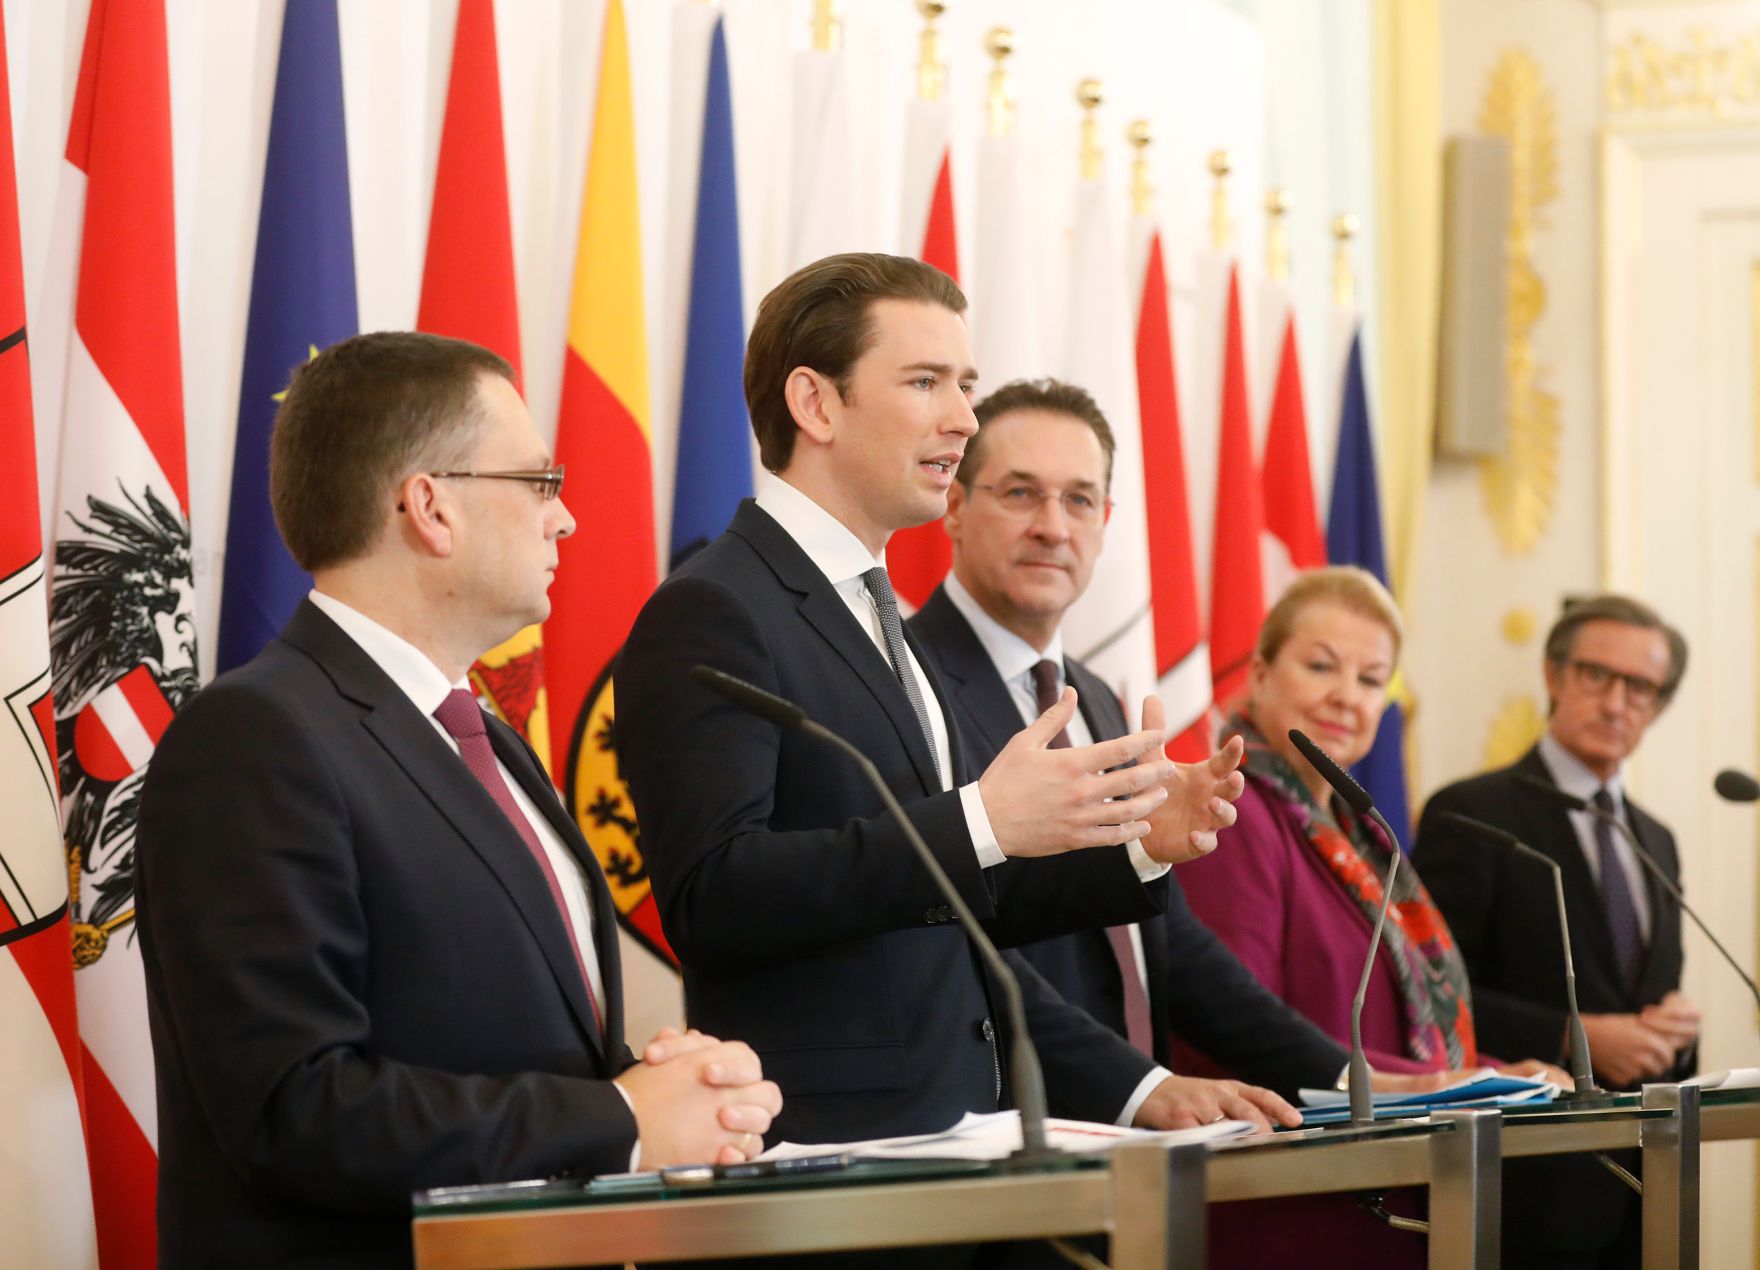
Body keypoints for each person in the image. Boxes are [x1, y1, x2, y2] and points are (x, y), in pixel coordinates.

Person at [136, 332, 781, 1268]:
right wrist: (618, 1117)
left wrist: (670, 1091)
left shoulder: (486, 736)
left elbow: (506, 1037)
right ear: (430, 508)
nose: (566, 519)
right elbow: (293, 1106)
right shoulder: (252, 738)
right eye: (540, 481)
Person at [615, 254, 1247, 1158]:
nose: (963, 419)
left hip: (963, 1131)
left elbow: (948, 894)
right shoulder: (716, 608)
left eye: (966, 386)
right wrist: (980, 819)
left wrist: (1139, 844)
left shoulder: (882, 615)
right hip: (825, 1148)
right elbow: (714, 895)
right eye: (925, 383)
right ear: (815, 404)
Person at [910, 379, 1436, 1113]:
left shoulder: (1097, 698)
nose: (1053, 527)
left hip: (1135, 1140)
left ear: (1105, 521)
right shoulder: (905, 681)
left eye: (1080, 500)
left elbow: (1172, 949)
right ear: (957, 507)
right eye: (1021, 494)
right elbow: (955, 942)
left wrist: (1352, 1080)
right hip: (1003, 1127)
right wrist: (1140, 1089)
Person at [1172, 566, 1562, 1269]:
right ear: (1259, 674)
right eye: (1321, 666)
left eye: (1371, 678)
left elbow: (1399, 1030)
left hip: (1385, 1188)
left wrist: (1503, 1076)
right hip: (1290, 1209)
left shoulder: (1358, 835)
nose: (1346, 696)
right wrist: (1438, 1085)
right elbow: (1233, 1032)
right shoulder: (1231, 812)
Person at [1415, 594, 1697, 1269]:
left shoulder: (1657, 839)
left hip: (1649, 1188)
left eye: (1640, 687)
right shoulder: (1471, 813)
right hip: (1520, 1185)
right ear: (1554, 675)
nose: (1616, 703)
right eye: (1597, 675)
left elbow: (1640, 993)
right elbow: (1428, 997)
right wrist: (1572, 1037)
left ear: (1658, 705)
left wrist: (1673, 1033)